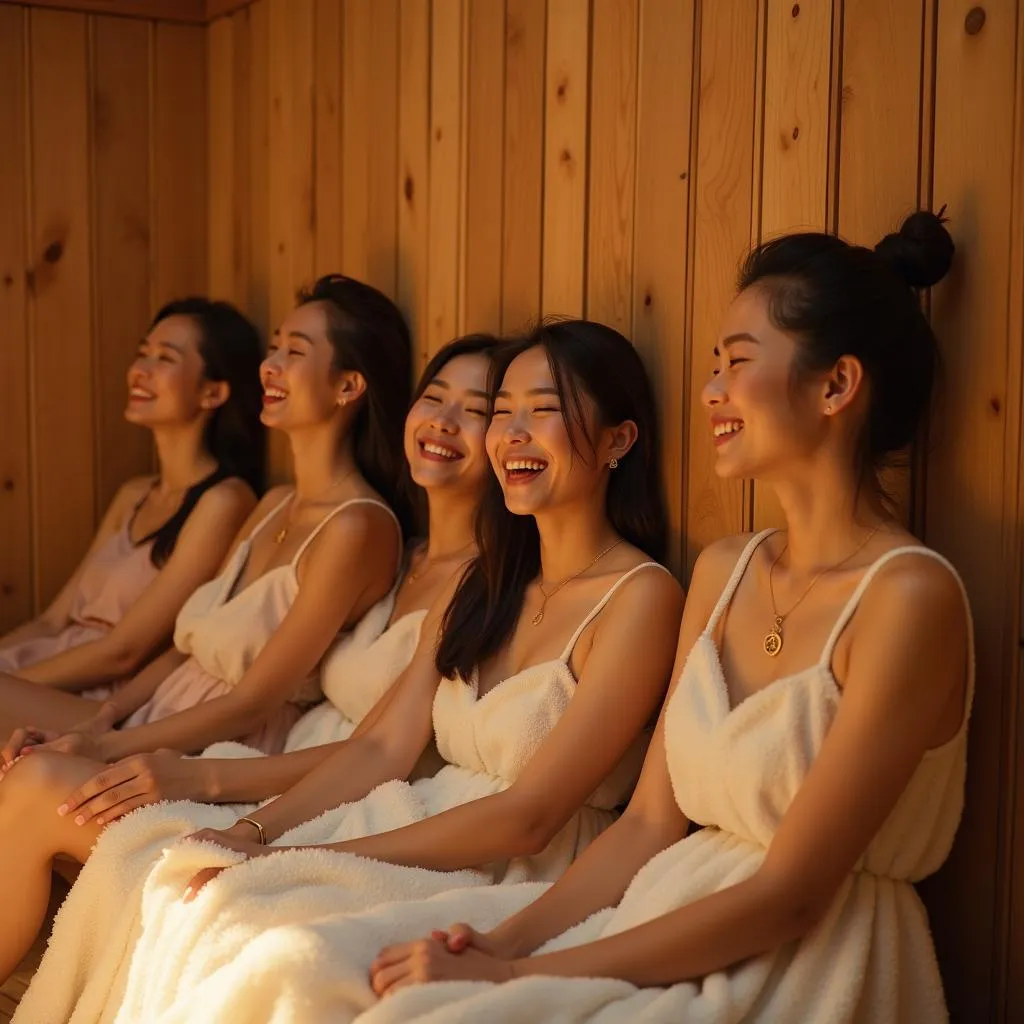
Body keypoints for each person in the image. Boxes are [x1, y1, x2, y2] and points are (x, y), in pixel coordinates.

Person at [363, 212, 972, 1024]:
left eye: (739, 364)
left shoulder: (908, 598)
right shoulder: (724, 571)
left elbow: (792, 896)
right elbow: (649, 823)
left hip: (814, 960)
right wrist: (507, 945)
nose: (712, 390)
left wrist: (519, 980)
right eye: (713, 366)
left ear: (836, 386)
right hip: (659, 911)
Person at [10, 320, 684, 1024]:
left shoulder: (639, 598)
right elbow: (379, 746)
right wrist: (257, 834)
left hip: (505, 863)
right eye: (505, 411)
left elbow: (529, 816)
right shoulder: (493, 581)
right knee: (190, 876)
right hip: (408, 817)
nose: (513, 432)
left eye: (541, 409)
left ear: (618, 440)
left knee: (249, 928)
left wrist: (302, 856)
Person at [0, 273, 412, 775]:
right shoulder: (274, 505)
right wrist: (99, 724)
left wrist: (106, 747)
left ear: (348, 385)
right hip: (155, 717)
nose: (269, 366)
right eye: (274, 348)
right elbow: (180, 650)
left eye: (294, 353)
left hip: (215, 748)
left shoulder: (357, 527)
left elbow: (255, 702)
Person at [0, 298, 264, 695]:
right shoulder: (134, 494)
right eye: (142, 354)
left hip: (95, 692)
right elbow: (52, 622)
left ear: (213, 392)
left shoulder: (225, 501)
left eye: (165, 359)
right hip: (37, 673)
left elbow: (125, 652)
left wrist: (12, 688)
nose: (140, 371)